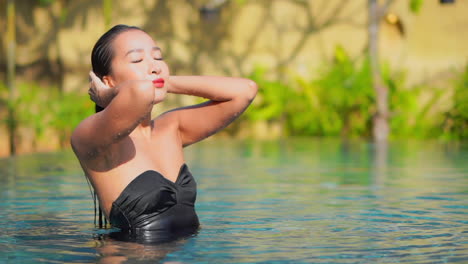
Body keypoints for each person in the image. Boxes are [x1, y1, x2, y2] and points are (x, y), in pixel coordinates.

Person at [70, 24, 257, 243]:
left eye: (158, 57)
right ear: (108, 81)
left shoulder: (171, 128)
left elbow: (245, 91)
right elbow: (141, 92)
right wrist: (107, 94)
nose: (155, 66)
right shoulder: (91, 138)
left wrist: (166, 82)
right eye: (137, 60)